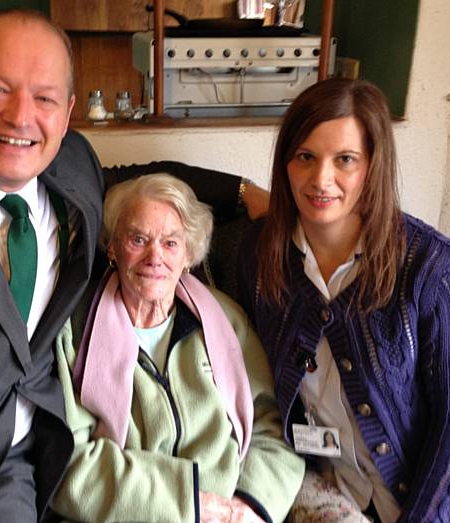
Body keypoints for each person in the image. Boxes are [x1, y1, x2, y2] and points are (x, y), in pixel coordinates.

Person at [0, 9, 251, 522]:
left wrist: (242, 191)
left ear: (69, 111)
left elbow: (136, 178)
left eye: (45, 98)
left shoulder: (71, 163)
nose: (21, 116)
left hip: (17, 467)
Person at [237, 78, 450, 522]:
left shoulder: (434, 268)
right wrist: (240, 190)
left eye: (344, 160)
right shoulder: (259, 256)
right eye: (305, 157)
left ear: (372, 165)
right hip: (324, 493)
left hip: (423, 504)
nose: (320, 180)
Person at [51, 174, 304, 523]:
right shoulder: (74, 331)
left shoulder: (226, 321)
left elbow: (273, 427)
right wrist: (191, 506)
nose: (155, 257)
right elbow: (70, 465)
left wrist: (251, 507)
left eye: (170, 243)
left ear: (189, 253)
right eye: (138, 239)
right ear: (112, 246)